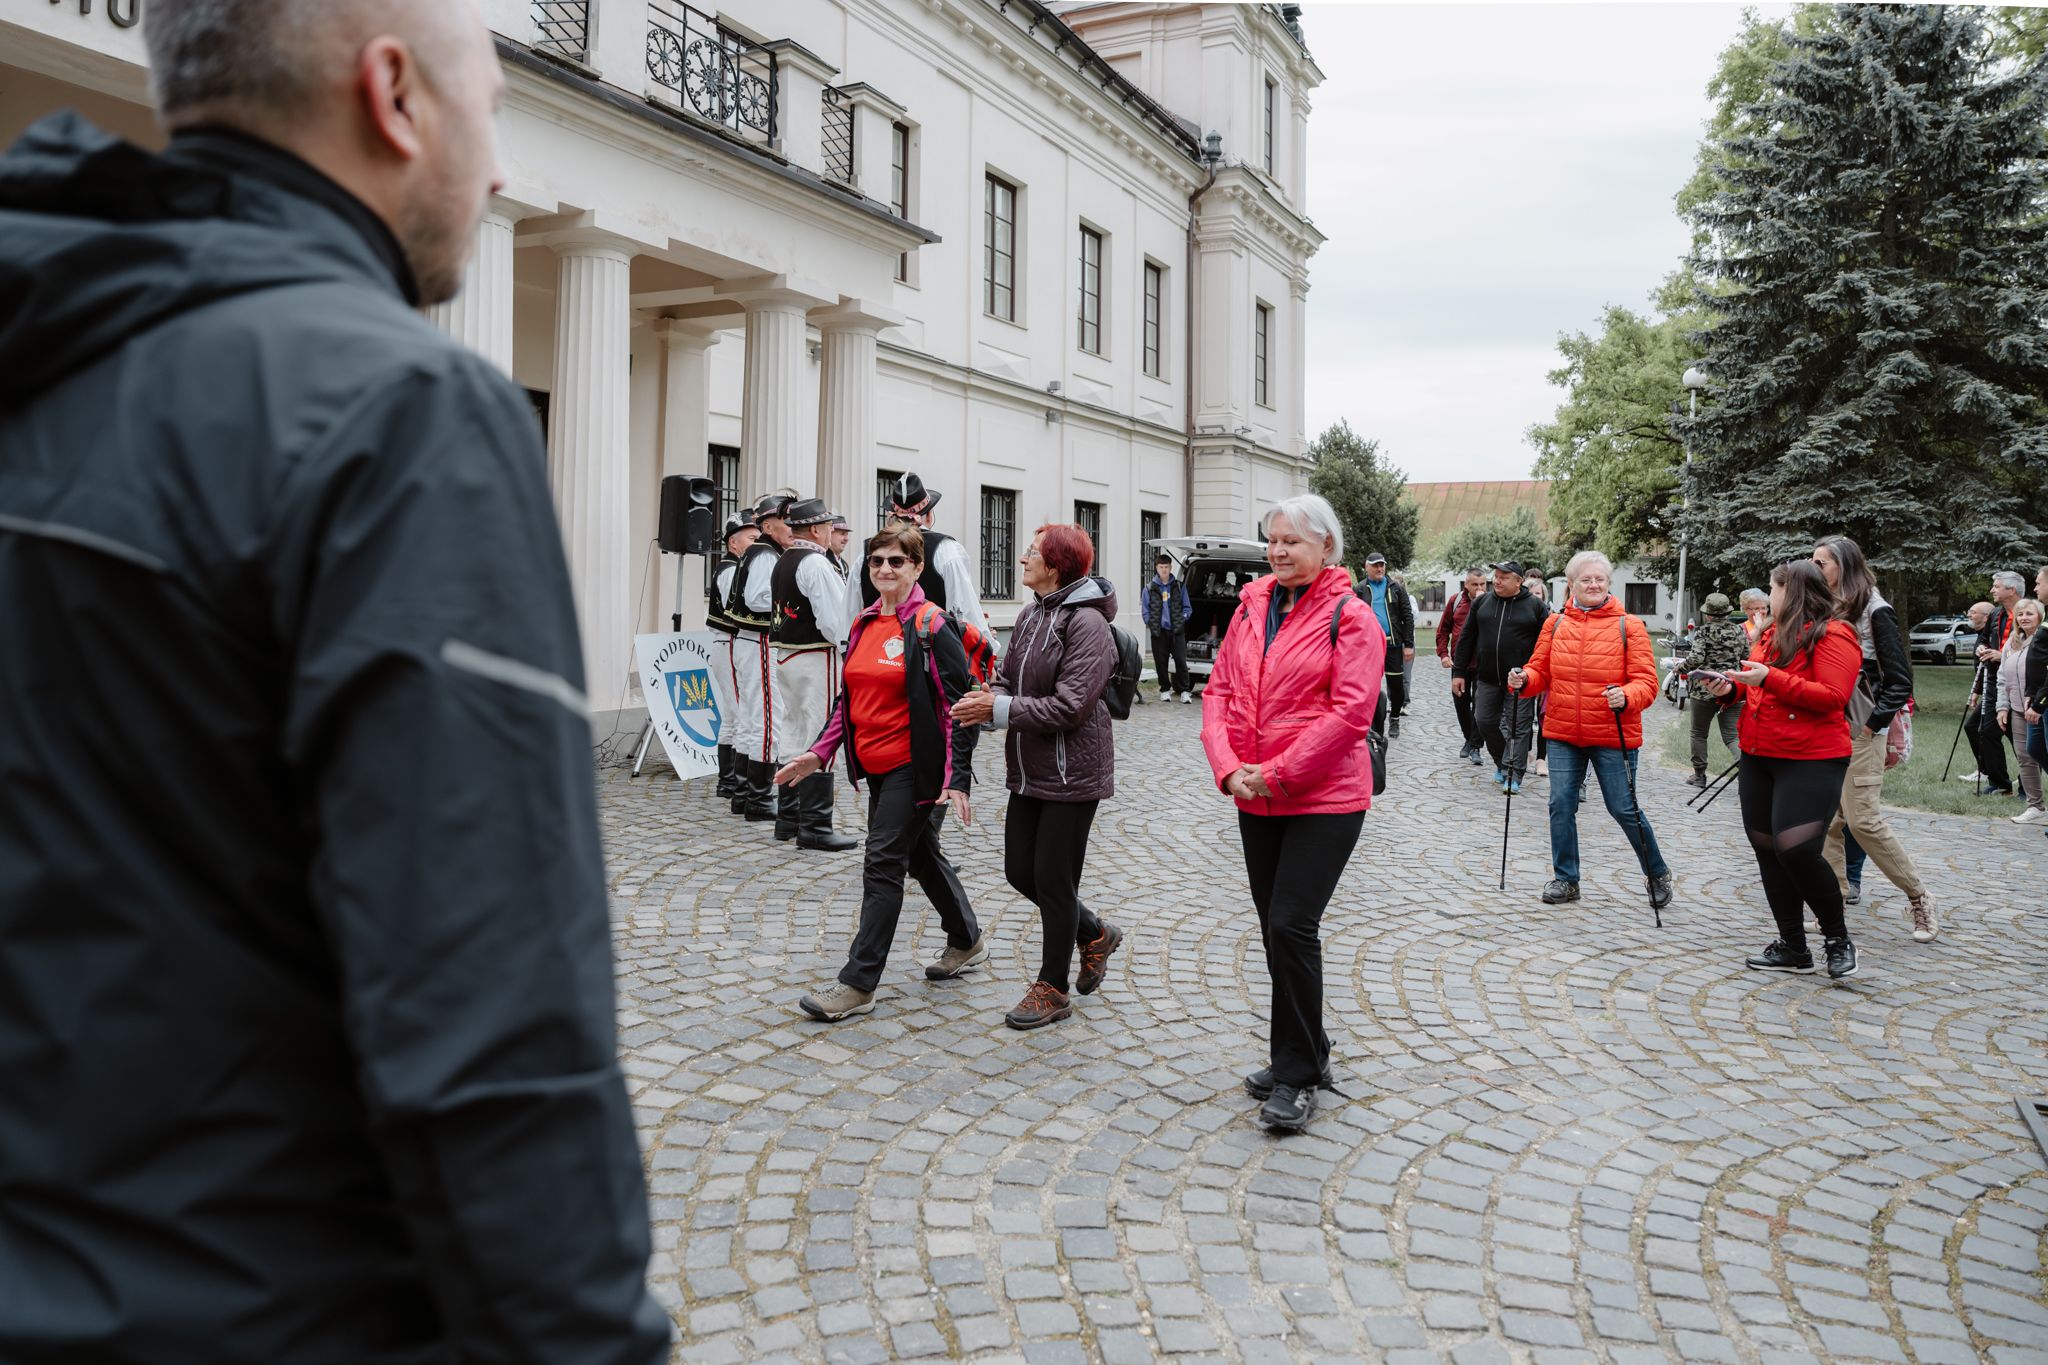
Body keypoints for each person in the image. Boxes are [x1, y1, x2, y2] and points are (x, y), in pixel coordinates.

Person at [0, 2, 672, 1360]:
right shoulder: (397, 412)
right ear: (394, 95)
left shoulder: (44, 358)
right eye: (492, 109)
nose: (499, 169)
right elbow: (496, 1040)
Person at [1199, 495, 1384, 1133]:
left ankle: (1299, 1075)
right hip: (1255, 792)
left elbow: (1350, 714)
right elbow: (1219, 692)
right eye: (1273, 540)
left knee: (1291, 924)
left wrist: (1275, 773)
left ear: (1326, 547)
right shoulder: (1251, 607)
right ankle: (1307, 1049)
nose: (1278, 551)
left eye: (1292, 541)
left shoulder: (1351, 617)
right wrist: (1228, 768)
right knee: (1275, 928)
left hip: (1324, 797)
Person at [780, 527, 985, 1021]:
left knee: (882, 864)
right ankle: (967, 938)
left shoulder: (932, 625)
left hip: (913, 767)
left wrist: (956, 776)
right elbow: (847, 700)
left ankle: (859, 983)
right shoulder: (864, 622)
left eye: (897, 561)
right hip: (874, 766)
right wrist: (818, 754)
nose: (885, 569)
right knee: (919, 855)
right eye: (877, 561)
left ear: (917, 567)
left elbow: (960, 707)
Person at [950, 524, 1123, 1031]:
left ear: (1057, 565)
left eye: (1032, 553)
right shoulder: (1031, 614)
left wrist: (998, 709)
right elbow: (1008, 678)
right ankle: (1094, 933)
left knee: (1053, 879)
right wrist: (989, 698)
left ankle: (1053, 987)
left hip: (1073, 772)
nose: (1023, 559)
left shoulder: (1087, 623)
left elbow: (1071, 706)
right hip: (1029, 767)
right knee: (1019, 871)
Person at [1701, 560, 1865, 979]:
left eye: (1772, 589)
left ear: (1791, 592)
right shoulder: (1770, 633)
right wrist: (1729, 688)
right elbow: (1758, 687)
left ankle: (1837, 939)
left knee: (1796, 850)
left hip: (1812, 758)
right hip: (1760, 754)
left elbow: (1832, 696)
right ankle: (1793, 946)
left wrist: (1768, 678)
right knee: (1768, 849)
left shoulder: (1834, 633)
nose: (1767, 597)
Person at [1508, 551, 1673, 912]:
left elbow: (1647, 683)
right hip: (1564, 732)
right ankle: (1566, 879)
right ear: (1571, 584)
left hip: (1613, 734)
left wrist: (1626, 695)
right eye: (1586, 579)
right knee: (1560, 805)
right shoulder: (1555, 624)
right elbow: (1540, 672)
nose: (1594, 585)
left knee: (1623, 808)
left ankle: (1657, 872)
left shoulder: (1629, 626)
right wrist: (1523, 679)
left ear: (1609, 583)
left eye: (1600, 579)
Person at [1811, 536, 1936, 942]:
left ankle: (1919, 898)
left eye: (1821, 563)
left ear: (1844, 566)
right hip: (1824, 728)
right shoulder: (1823, 606)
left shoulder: (1875, 609)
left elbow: (1899, 680)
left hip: (1861, 731)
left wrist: (1870, 725)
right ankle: (1832, 905)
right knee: (1826, 820)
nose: (1814, 569)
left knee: (1862, 821)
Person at [770, 499, 858, 850]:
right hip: (815, 656)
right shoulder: (816, 563)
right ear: (818, 529)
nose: (832, 532)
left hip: (787, 656)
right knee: (820, 734)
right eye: (829, 527)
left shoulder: (784, 560)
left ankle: (788, 818)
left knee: (793, 731)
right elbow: (834, 620)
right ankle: (816, 826)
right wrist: (850, 651)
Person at [848, 472, 995, 651]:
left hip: (873, 652)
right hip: (930, 658)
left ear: (891, 515)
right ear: (929, 516)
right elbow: (965, 616)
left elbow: (849, 618)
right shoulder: (947, 551)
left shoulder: (867, 552)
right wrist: (987, 649)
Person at [1452, 561, 1549, 793]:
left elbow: (1545, 646)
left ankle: (1514, 774)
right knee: (1484, 721)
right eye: (1496, 576)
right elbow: (1466, 638)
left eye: (1504, 577)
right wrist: (1459, 672)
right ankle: (1502, 763)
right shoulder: (1482, 602)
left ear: (1519, 581)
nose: (1497, 581)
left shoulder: (1535, 606)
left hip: (1521, 680)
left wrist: (1541, 678)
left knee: (1519, 727)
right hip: (1486, 677)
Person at [726, 493, 792, 821]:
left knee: (753, 720)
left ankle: (744, 795)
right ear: (768, 526)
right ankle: (759, 798)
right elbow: (756, 598)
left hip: (751, 642)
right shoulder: (765, 554)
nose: (792, 527)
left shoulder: (760, 552)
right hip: (760, 641)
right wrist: (791, 602)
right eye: (786, 521)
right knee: (767, 720)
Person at [709, 512, 758, 805]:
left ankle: (728, 781)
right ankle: (739, 783)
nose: (757, 542)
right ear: (733, 543)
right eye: (752, 538)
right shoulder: (731, 570)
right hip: (729, 641)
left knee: (732, 713)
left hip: (726, 642)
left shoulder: (732, 567)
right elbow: (737, 611)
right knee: (740, 713)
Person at [1961, 573, 2024, 792]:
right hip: (1995, 681)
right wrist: (1982, 648)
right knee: (1985, 730)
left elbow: (2034, 647)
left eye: (1996, 586)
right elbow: (1984, 638)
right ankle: (1999, 783)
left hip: (2020, 683)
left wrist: (2003, 656)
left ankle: (2026, 785)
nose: (1992, 590)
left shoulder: (2028, 612)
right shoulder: (1997, 613)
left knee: (2019, 736)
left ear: (2011, 590)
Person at [1684, 592, 1749, 787]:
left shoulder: (1703, 631)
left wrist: (1680, 668)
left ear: (1708, 614)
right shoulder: (1739, 631)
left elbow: (1695, 658)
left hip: (1704, 691)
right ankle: (1749, 773)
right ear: (1727, 612)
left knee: (1698, 733)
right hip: (1732, 689)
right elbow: (1747, 658)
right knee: (1732, 736)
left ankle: (1699, 775)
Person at [1999, 599, 2045, 824]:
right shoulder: (2012, 642)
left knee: (2041, 753)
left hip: (2041, 707)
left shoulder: (2043, 640)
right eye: (2020, 614)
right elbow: (2002, 677)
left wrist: (2039, 704)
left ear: (2040, 617)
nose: (2024, 618)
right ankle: (2035, 806)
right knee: (2025, 758)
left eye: (2029, 613)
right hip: (2018, 708)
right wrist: (2002, 707)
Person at [1360, 552, 1415, 735]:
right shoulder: (1360, 589)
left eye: (1382, 565)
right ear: (1367, 567)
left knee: (1396, 686)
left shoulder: (1396, 588)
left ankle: (1395, 718)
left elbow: (1407, 617)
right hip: (1370, 648)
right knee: (1369, 687)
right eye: (1375, 565)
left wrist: (1408, 645)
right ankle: (1373, 723)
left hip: (1393, 646)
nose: (1379, 568)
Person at [1439, 567, 1486, 763]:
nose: (1479, 588)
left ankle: (1475, 746)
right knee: (1461, 703)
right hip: (1460, 663)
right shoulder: (1456, 601)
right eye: (1475, 584)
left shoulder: (1491, 602)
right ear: (1466, 584)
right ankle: (1469, 738)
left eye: (1482, 584)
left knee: (1480, 705)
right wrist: (1443, 654)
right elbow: (1443, 629)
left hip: (1484, 663)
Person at [1144, 552, 1194, 702]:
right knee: (1161, 662)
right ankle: (1165, 689)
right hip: (1159, 632)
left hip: (1177, 631)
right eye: (1161, 567)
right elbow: (1146, 610)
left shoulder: (1178, 586)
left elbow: (1187, 607)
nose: (1164, 570)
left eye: (1166, 567)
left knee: (1180, 661)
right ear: (1156, 568)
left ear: (1171, 568)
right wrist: (1151, 623)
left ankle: (1185, 691)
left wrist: (1182, 619)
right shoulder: (1149, 588)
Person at [827, 514, 853, 578]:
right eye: (842, 534)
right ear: (830, 533)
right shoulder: (823, 562)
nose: (846, 539)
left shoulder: (845, 565)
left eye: (847, 534)